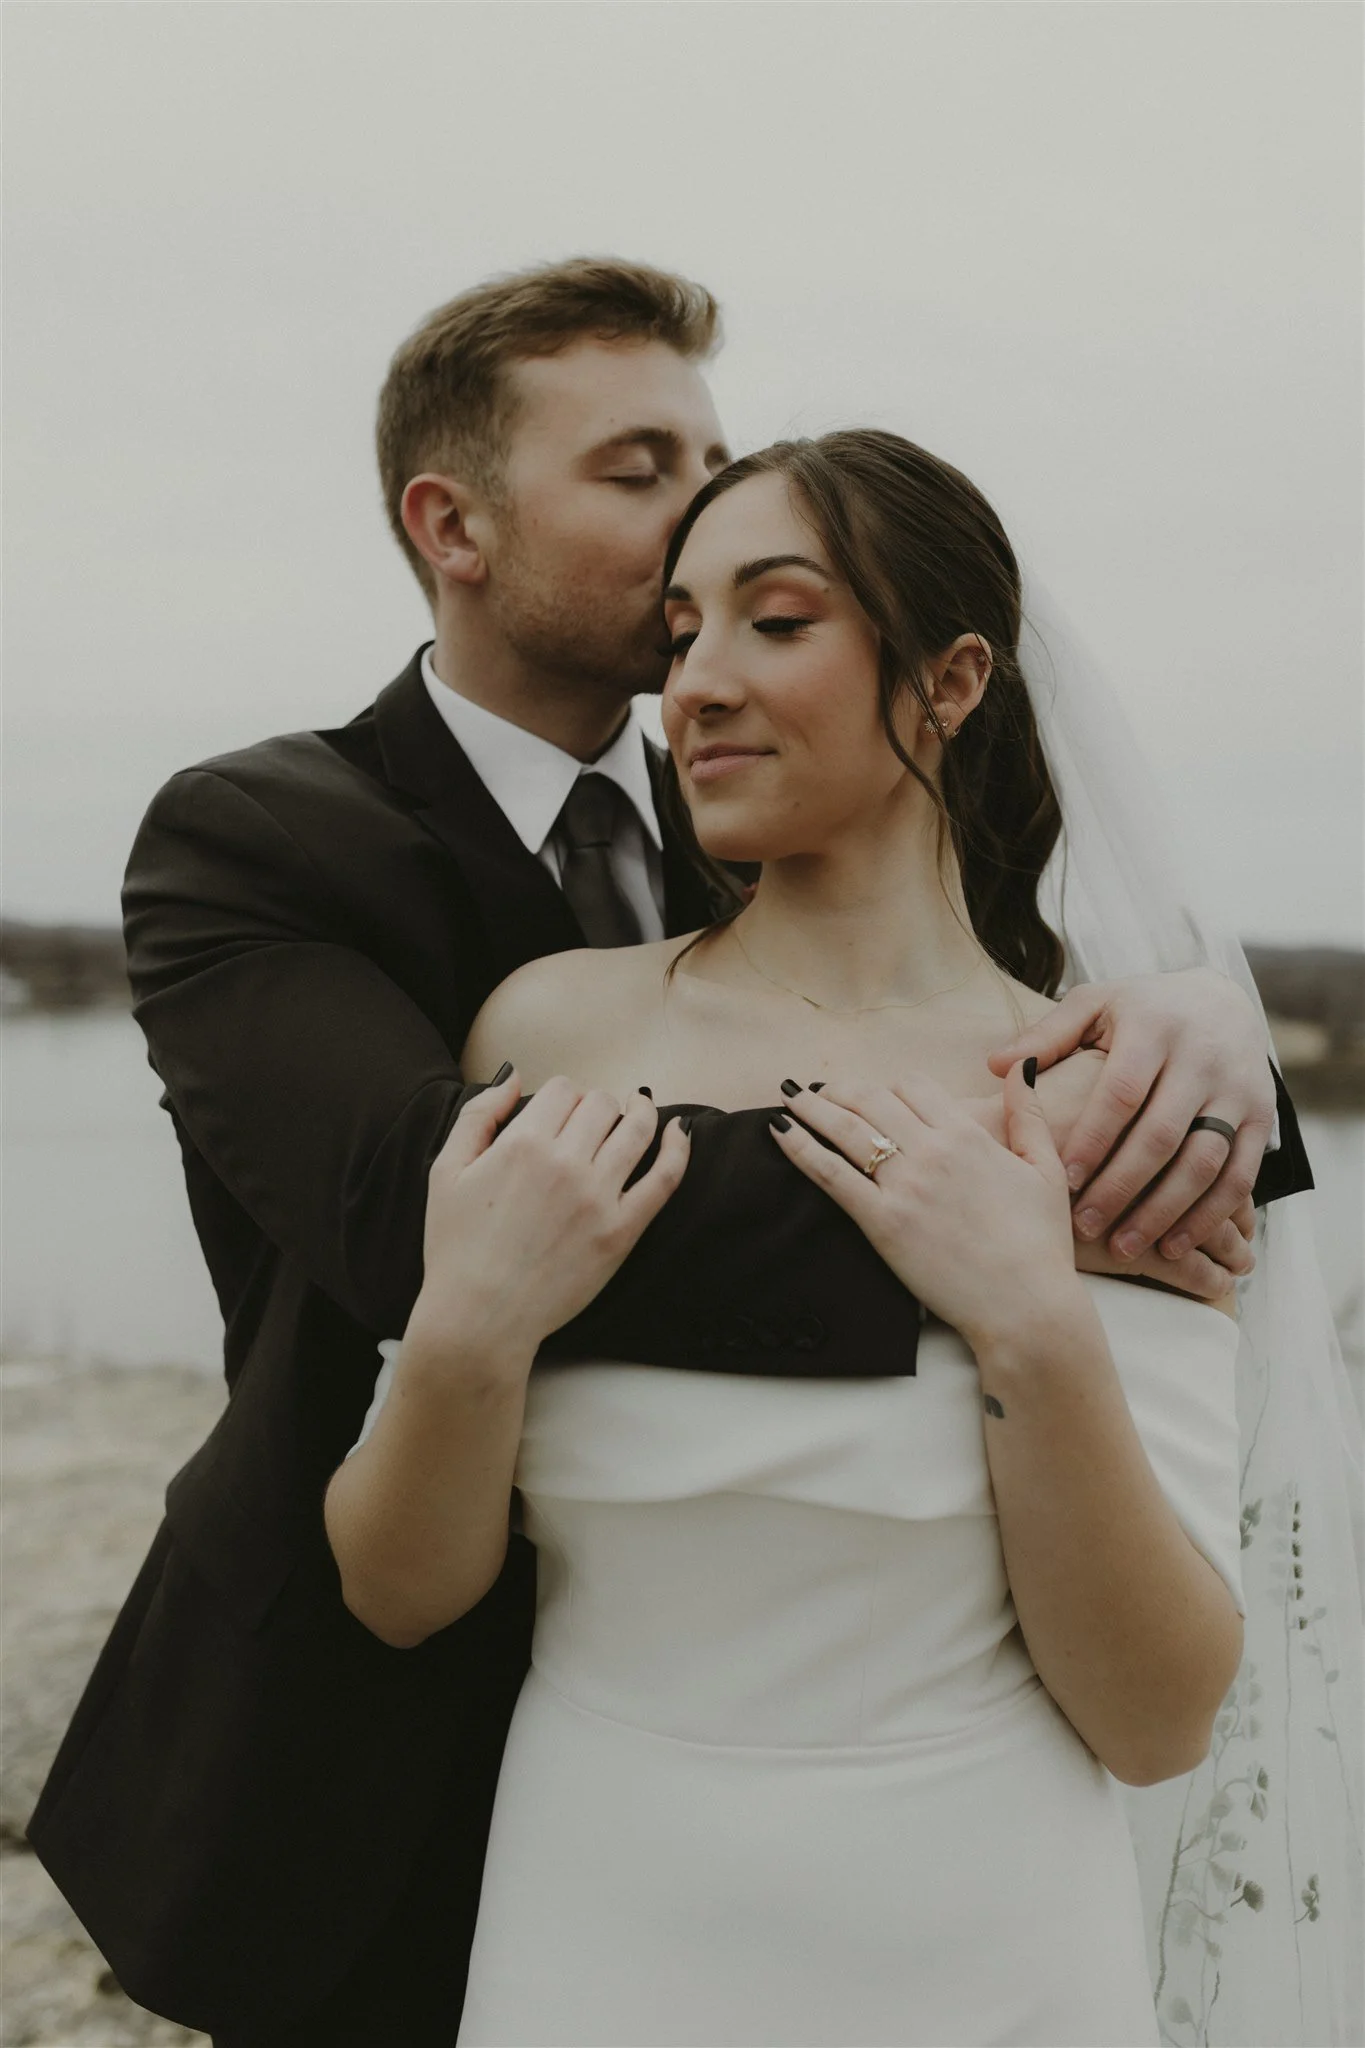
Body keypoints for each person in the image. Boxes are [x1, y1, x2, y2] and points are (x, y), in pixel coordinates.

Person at [27, 262, 1315, 2046]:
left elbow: (955, 952)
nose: (698, 625)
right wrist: (1034, 1177)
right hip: (373, 1776)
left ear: (938, 683)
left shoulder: (792, 843)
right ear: (450, 523)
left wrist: (1206, 1048)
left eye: (755, 584)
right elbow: (434, 1216)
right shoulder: (263, 841)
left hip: (956, 1896)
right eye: (641, 474)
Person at [330, 429, 1363, 2047]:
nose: (699, 685)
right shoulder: (546, 1029)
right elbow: (400, 1590)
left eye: (779, 620)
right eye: (679, 635)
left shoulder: (1110, 1099)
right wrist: (467, 1328)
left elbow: (1159, 1720)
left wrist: (1029, 1321)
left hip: (987, 1945)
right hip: (598, 1910)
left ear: (952, 681)